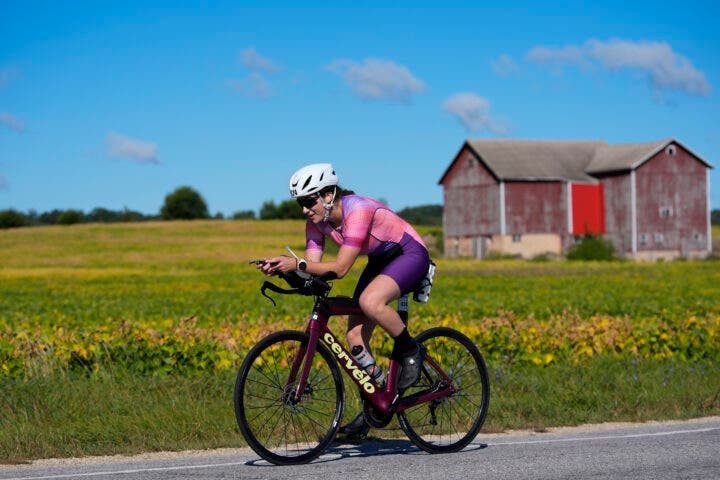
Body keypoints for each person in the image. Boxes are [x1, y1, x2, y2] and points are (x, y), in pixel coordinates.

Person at [258, 163, 431, 438]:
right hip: (381, 259)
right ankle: (377, 405)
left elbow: (339, 269)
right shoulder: (315, 223)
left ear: (328, 195)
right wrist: (284, 270)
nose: (304, 209)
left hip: (409, 253)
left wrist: (294, 264)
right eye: (299, 203)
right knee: (355, 337)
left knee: (371, 302)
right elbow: (313, 268)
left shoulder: (357, 209)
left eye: (308, 200)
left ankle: (412, 351)